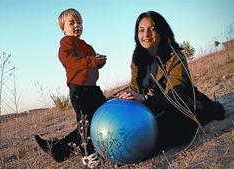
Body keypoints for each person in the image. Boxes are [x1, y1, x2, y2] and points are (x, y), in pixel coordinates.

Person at [116, 11, 225, 152]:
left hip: (184, 106)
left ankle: (212, 108)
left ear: (161, 31)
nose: (146, 35)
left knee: (162, 131)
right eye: (141, 30)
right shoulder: (138, 56)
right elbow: (135, 89)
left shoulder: (175, 57)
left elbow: (174, 100)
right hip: (157, 105)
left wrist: (144, 98)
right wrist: (127, 97)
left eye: (152, 29)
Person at [35, 8, 107, 166]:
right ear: (63, 28)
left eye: (79, 22)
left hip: (93, 88)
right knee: (85, 123)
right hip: (79, 90)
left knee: (100, 116)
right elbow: (71, 61)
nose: (77, 25)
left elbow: (91, 63)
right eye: (72, 23)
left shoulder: (86, 45)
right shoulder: (66, 44)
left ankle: (58, 149)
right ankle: (89, 155)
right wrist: (92, 61)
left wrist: (99, 62)